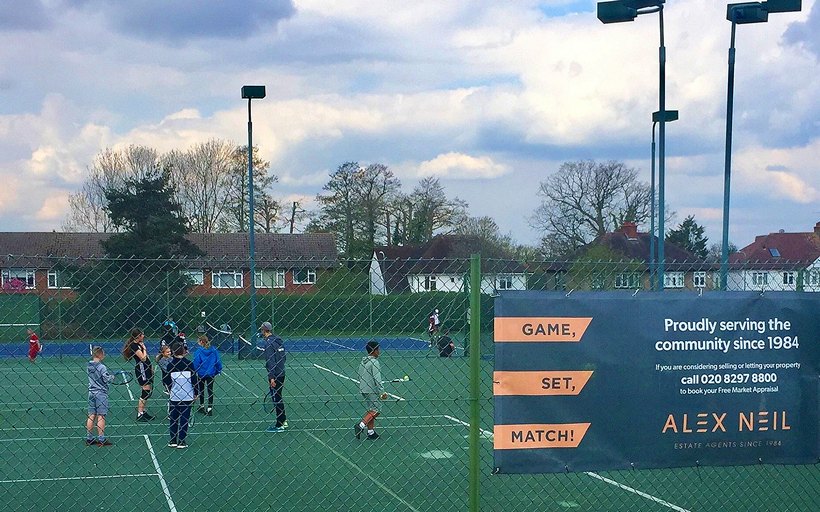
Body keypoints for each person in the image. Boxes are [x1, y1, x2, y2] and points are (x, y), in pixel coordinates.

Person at [354, 340, 388, 441]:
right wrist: (382, 392)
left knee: (371, 409)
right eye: (378, 349)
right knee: (377, 409)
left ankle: (371, 432)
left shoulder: (363, 361)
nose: (379, 351)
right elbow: (377, 378)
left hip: (364, 388)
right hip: (372, 389)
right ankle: (361, 425)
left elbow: (359, 375)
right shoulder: (374, 362)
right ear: (374, 350)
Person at [167, 342, 198, 449]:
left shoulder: (170, 365)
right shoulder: (189, 364)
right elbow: (194, 380)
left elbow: (167, 381)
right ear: (184, 352)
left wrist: (171, 390)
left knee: (173, 418)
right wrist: (196, 393)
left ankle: (173, 440)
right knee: (184, 419)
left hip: (174, 397)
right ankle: (181, 441)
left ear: (173, 352)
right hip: (187, 396)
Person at [258, 321, 287, 433]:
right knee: (279, 397)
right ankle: (283, 420)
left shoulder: (268, 343)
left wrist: (271, 377)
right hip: (282, 373)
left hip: (275, 375)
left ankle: (279, 424)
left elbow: (271, 361)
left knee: (277, 398)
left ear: (263, 330)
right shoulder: (279, 341)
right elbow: (283, 358)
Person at [122, 327, 155, 422]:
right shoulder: (134, 346)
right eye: (142, 334)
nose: (144, 336)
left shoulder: (139, 344)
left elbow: (147, 358)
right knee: (146, 391)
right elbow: (143, 358)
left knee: (148, 390)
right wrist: (144, 348)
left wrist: (151, 367)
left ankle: (143, 411)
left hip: (146, 368)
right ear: (138, 336)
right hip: (141, 369)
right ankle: (140, 413)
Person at [86, 346, 115, 446]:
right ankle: (101, 439)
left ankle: (89, 438)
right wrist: (112, 377)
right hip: (101, 393)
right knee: (101, 416)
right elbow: (106, 379)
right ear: (100, 355)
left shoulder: (89, 365)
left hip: (91, 392)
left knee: (91, 415)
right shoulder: (102, 367)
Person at [193, 335, 222, 416]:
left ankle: (202, 405)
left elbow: (196, 362)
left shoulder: (198, 351)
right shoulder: (214, 350)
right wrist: (219, 369)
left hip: (201, 373)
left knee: (201, 390)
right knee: (210, 390)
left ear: (201, 342)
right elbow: (218, 361)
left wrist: (194, 370)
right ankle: (210, 408)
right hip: (211, 373)